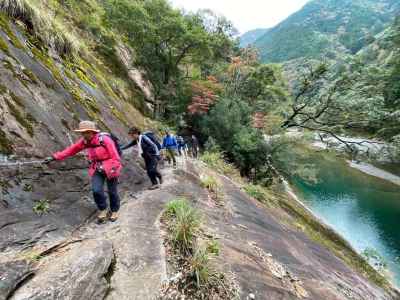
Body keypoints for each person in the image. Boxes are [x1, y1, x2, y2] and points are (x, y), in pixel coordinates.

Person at [43, 121, 122, 223]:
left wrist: (114, 168)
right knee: (96, 190)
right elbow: (71, 150)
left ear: (91, 132)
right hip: (97, 167)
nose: (83, 135)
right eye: (82, 133)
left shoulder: (105, 140)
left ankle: (115, 210)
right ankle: (103, 209)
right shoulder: (84, 141)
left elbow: (115, 156)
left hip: (110, 167)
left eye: (85, 132)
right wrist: (54, 157)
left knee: (112, 191)